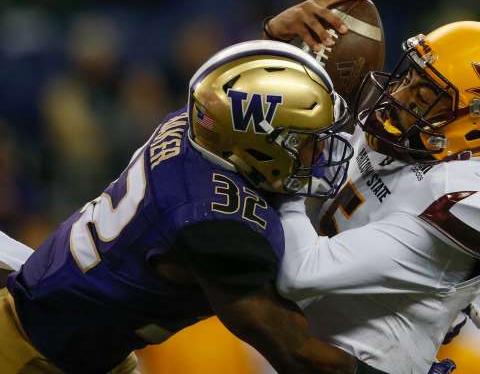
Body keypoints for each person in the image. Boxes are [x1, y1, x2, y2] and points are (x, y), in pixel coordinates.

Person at [0, 39, 394, 374]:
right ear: (260, 142)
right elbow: (295, 352)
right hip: (37, 359)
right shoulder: (213, 225)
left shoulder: (203, 129)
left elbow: (241, 83)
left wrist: (279, 35)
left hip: (83, 345)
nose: (321, 153)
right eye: (306, 140)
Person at [263, 0, 480, 374]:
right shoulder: (399, 137)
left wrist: (289, 171)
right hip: (293, 352)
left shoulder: (473, 196)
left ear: (475, 124)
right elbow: (270, 123)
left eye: (425, 95)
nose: (398, 95)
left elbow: (299, 272)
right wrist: (276, 47)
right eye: (409, 76)